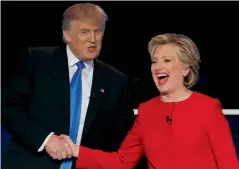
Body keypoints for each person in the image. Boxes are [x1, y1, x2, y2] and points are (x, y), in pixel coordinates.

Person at [61, 33, 239, 169]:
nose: (158, 67)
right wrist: (75, 150)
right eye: (154, 62)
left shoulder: (208, 107)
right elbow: (121, 161)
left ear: (186, 69)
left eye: (167, 60)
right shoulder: (147, 111)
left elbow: (229, 165)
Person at [2, 3, 135, 169]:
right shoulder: (37, 60)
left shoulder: (115, 80)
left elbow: (121, 131)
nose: (93, 39)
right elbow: (7, 107)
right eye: (84, 32)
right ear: (67, 34)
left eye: (98, 31)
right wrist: (46, 140)